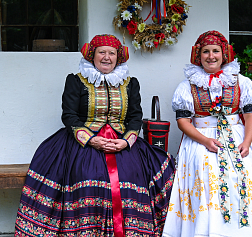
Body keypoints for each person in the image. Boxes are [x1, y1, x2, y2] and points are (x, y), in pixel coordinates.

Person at [14, 34, 175, 237]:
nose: (106, 57)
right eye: (102, 52)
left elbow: (135, 117)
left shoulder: (130, 83)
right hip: (83, 142)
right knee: (87, 174)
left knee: (134, 174)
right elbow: (69, 116)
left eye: (111, 53)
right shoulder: (75, 80)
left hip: (120, 141)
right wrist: (90, 139)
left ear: (119, 57)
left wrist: (126, 141)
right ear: (92, 55)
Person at [162, 31, 252, 237]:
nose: (211, 56)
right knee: (207, 171)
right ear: (198, 55)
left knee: (246, 171)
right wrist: (205, 141)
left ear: (224, 54)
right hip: (200, 137)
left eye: (215, 51)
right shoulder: (187, 86)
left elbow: (251, 115)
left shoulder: (241, 82)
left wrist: (247, 142)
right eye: (205, 52)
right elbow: (183, 121)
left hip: (237, 136)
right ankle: (207, 231)